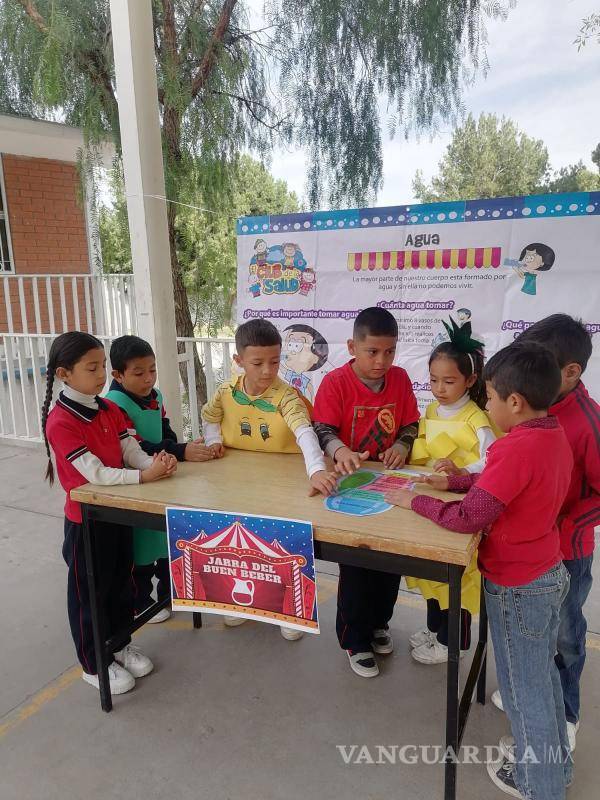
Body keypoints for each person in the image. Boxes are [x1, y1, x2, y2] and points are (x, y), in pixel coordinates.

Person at [385, 341, 573, 800]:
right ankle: (556, 770)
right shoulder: (550, 434)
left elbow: (469, 517)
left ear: (514, 402)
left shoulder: (514, 448)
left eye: (488, 396)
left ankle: (540, 787)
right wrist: (450, 481)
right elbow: (497, 483)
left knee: (524, 694)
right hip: (548, 574)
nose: (485, 405)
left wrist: (417, 501)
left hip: (517, 586)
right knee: (543, 682)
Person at [42, 332, 177, 696]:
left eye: (102, 365)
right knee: (90, 593)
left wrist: (154, 462)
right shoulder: (61, 421)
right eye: (92, 367)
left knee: (122, 583)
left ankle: (118, 644)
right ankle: (93, 661)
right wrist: (142, 476)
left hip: (119, 513)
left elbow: (128, 447)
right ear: (64, 374)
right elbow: (96, 472)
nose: (101, 373)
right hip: (86, 522)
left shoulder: (107, 408)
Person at [201, 318, 336, 640]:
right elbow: (210, 417)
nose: (267, 370)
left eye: (274, 362)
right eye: (257, 363)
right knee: (237, 547)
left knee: (281, 546)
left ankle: (289, 611)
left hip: (281, 484)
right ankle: (238, 604)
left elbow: (305, 432)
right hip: (238, 481)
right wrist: (211, 442)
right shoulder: (225, 391)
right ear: (239, 361)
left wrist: (317, 469)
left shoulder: (287, 396)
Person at [503, 314, 598, 752]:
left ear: (571, 372)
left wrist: (562, 524)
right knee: (528, 630)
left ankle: (566, 714)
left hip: (567, 554)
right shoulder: (531, 409)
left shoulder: (586, 422)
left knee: (565, 634)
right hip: (526, 554)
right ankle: (533, 693)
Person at [312, 306, 419, 678]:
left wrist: (404, 445)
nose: (381, 361)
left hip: (388, 484)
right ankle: (354, 639)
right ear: (352, 347)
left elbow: (410, 424)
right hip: (348, 484)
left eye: (389, 351)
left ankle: (378, 625)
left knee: (390, 563)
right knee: (357, 565)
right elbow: (322, 428)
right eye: (372, 352)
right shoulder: (335, 383)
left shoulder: (401, 380)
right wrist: (340, 451)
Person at [106, 335, 216, 624]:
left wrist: (177, 450)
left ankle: (171, 592)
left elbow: (165, 431)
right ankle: (140, 602)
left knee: (168, 540)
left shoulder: (155, 397)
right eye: (139, 373)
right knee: (142, 547)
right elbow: (136, 447)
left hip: (163, 474)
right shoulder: (113, 404)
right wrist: (180, 452)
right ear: (117, 374)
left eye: (152, 370)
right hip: (138, 479)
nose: (148, 379)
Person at [407, 318, 497, 664]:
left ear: (471, 380)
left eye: (449, 381)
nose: (439, 388)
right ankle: (434, 628)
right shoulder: (430, 409)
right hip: (433, 500)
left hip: (462, 505)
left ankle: (452, 642)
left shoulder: (477, 418)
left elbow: (492, 462)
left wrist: (462, 472)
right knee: (431, 572)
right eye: (433, 380)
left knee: (458, 576)